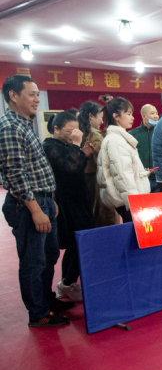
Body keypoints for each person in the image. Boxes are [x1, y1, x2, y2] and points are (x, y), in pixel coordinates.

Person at [1, 75, 72, 327]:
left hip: (43, 201)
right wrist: (35, 209)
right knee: (33, 261)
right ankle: (39, 313)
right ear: (13, 96)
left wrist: (49, 200)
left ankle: (46, 299)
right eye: (31, 94)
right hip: (28, 205)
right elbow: (15, 174)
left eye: (37, 95)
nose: (36, 99)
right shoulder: (10, 127)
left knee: (49, 254)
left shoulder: (24, 124)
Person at [43, 112, 94, 302]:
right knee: (77, 242)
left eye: (76, 130)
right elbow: (69, 167)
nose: (74, 134)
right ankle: (67, 283)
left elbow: (77, 167)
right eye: (69, 131)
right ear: (56, 129)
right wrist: (76, 145)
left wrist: (84, 154)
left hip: (79, 199)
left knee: (78, 243)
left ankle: (67, 282)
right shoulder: (50, 146)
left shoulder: (65, 146)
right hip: (66, 202)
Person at [97, 97, 151, 223]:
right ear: (116, 116)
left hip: (128, 199)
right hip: (129, 201)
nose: (132, 118)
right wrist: (133, 203)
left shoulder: (118, 138)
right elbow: (122, 175)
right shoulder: (116, 140)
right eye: (128, 114)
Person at [78, 101, 119, 227]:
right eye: (100, 117)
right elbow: (103, 160)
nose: (102, 121)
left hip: (86, 178)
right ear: (91, 116)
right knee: (105, 216)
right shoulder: (94, 135)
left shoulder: (81, 131)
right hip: (96, 180)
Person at [129, 104, 159, 193]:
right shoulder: (132, 134)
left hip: (158, 177)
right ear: (143, 116)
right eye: (152, 113)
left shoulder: (160, 133)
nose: (156, 116)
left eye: (157, 113)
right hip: (141, 178)